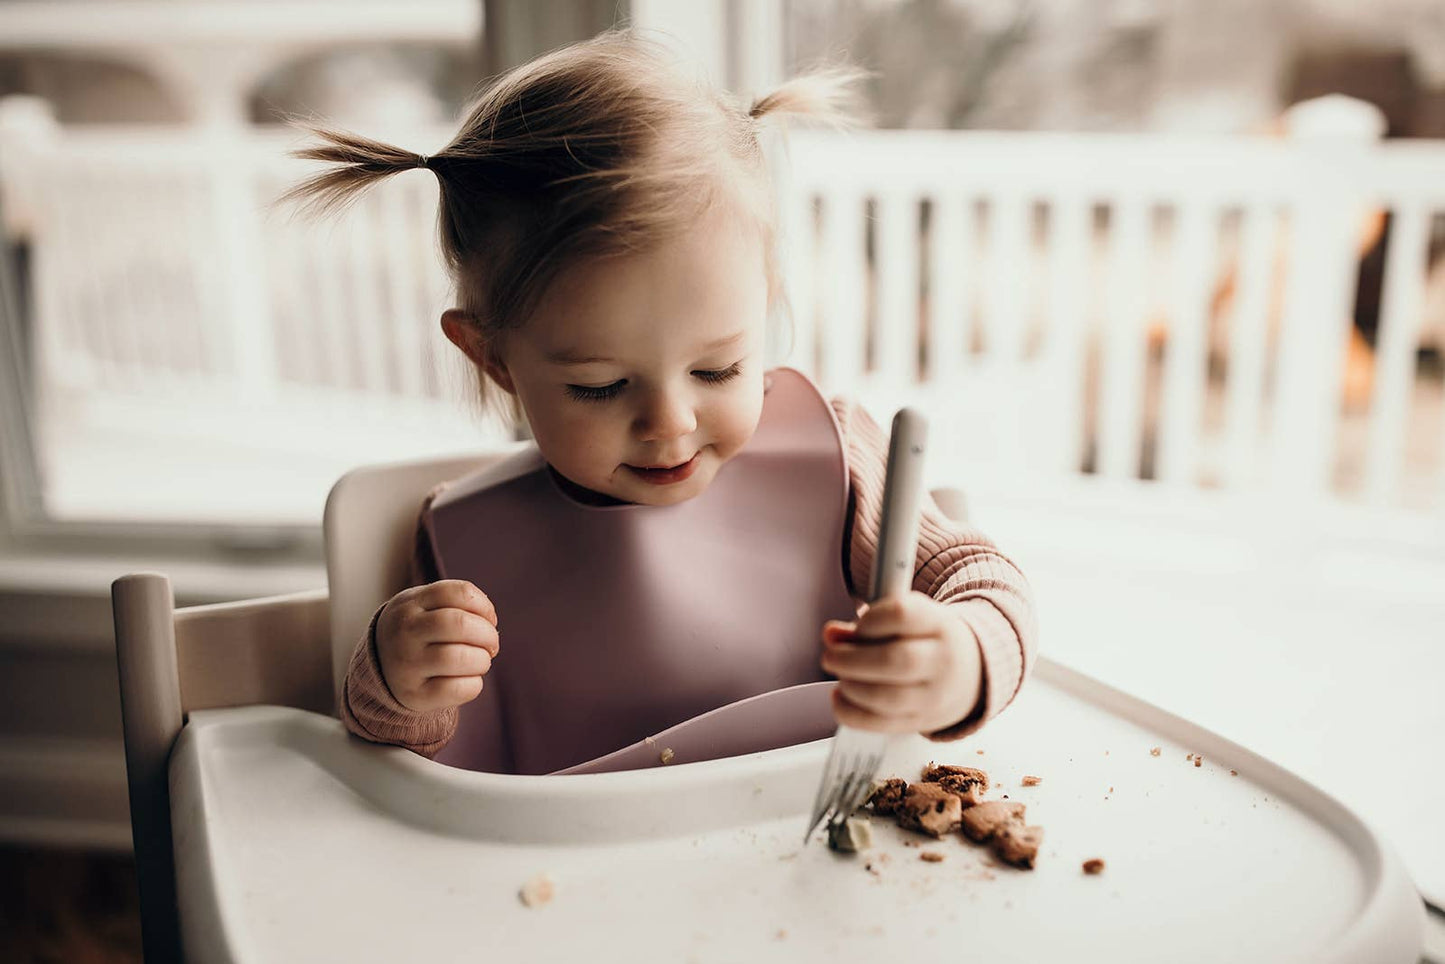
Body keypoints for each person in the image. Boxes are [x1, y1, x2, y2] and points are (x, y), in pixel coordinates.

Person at [282, 30, 1036, 776]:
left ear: (763, 306)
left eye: (717, 368)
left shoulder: (834, 458)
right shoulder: (466, 537)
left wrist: (962, 658)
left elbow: (984, 582)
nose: (669, 424)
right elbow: (415, 758)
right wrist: (395, 682)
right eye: (602, 386)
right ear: (493, 357)